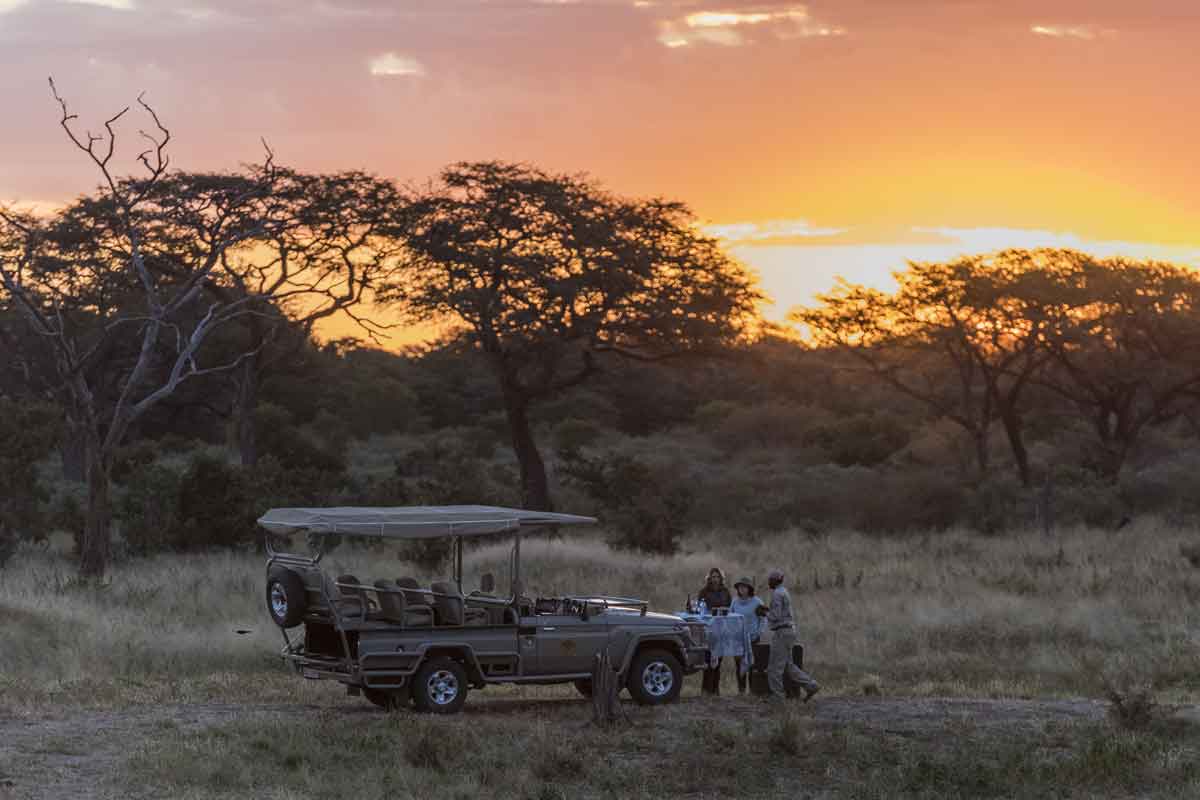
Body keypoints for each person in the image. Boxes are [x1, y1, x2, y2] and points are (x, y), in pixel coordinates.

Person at [761, 568, 819, 702]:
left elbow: (776, 616)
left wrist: (764, 613)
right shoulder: (784, 591)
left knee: (774, 668)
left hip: (781, 632)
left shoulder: (776, 594)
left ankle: (777, 697)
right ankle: (811, 686)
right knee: (788, 666)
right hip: (789, 631)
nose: (768, 582)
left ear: (775, 581)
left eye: (770, 580)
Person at [696, 567, 731, 695]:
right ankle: (705, 690)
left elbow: (730, 607)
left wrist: (724, 610)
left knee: (718, 661)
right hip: (708, 629)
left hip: (721, 628)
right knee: (708, 660)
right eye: (713, 577)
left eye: (717, 577)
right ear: (709, 578)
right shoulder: (704, 592)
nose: (715, 579)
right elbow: (700, 609)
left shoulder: (726, 591)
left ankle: (716, 691)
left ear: (721, 578)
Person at [729, 576, 764, 695]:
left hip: (753, 638)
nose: (742, 589)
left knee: (752, 664)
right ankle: (741, 690)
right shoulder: (734, 601)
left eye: (744, 587)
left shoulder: (757, 602)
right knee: (739, 665)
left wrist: (759, 632)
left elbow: (763, 619)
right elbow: (730, 617)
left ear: (749, 588)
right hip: (738, 638)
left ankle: (753, 691)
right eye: (739, 587)